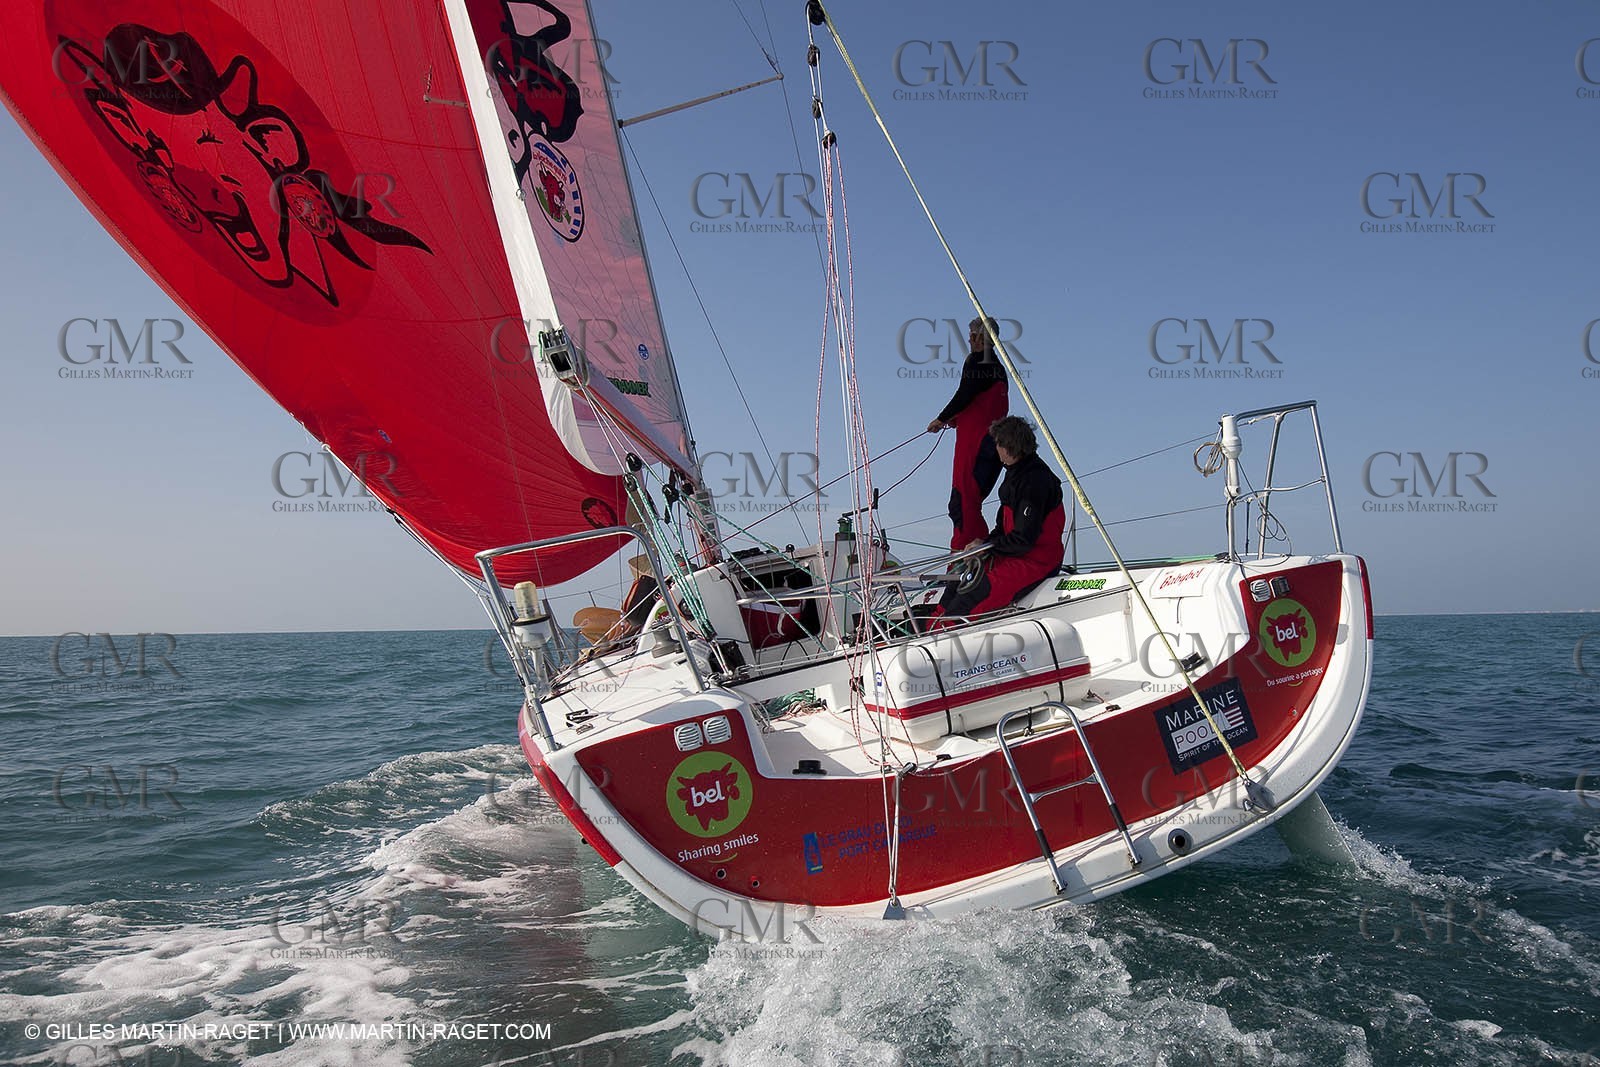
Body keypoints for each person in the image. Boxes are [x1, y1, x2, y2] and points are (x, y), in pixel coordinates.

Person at [932, 416, 1065, 625]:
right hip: (1012, 554)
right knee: (962, 575)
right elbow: (1002, 528)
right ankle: (932, 624)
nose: (996, 449)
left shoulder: (1035, 481)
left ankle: (944, 634)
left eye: (997, 444)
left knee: (975, 594)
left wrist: (988, 547)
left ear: (1008, 446)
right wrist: (982, 546)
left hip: (1036, 559)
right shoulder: (1014, 473)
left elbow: (1023, 540)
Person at [927, 316, 1009, 551]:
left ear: (979, 338)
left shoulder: (977, 361)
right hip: (993, 445)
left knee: (962, 503)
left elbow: (965, 393)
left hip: (976, 444)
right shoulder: (999, 369)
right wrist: (957, 417)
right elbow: (979, 400)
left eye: (972, 335)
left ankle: (967, 557)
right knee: (969, 502)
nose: (969, 340)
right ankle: (976, 551)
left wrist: (941, 418)